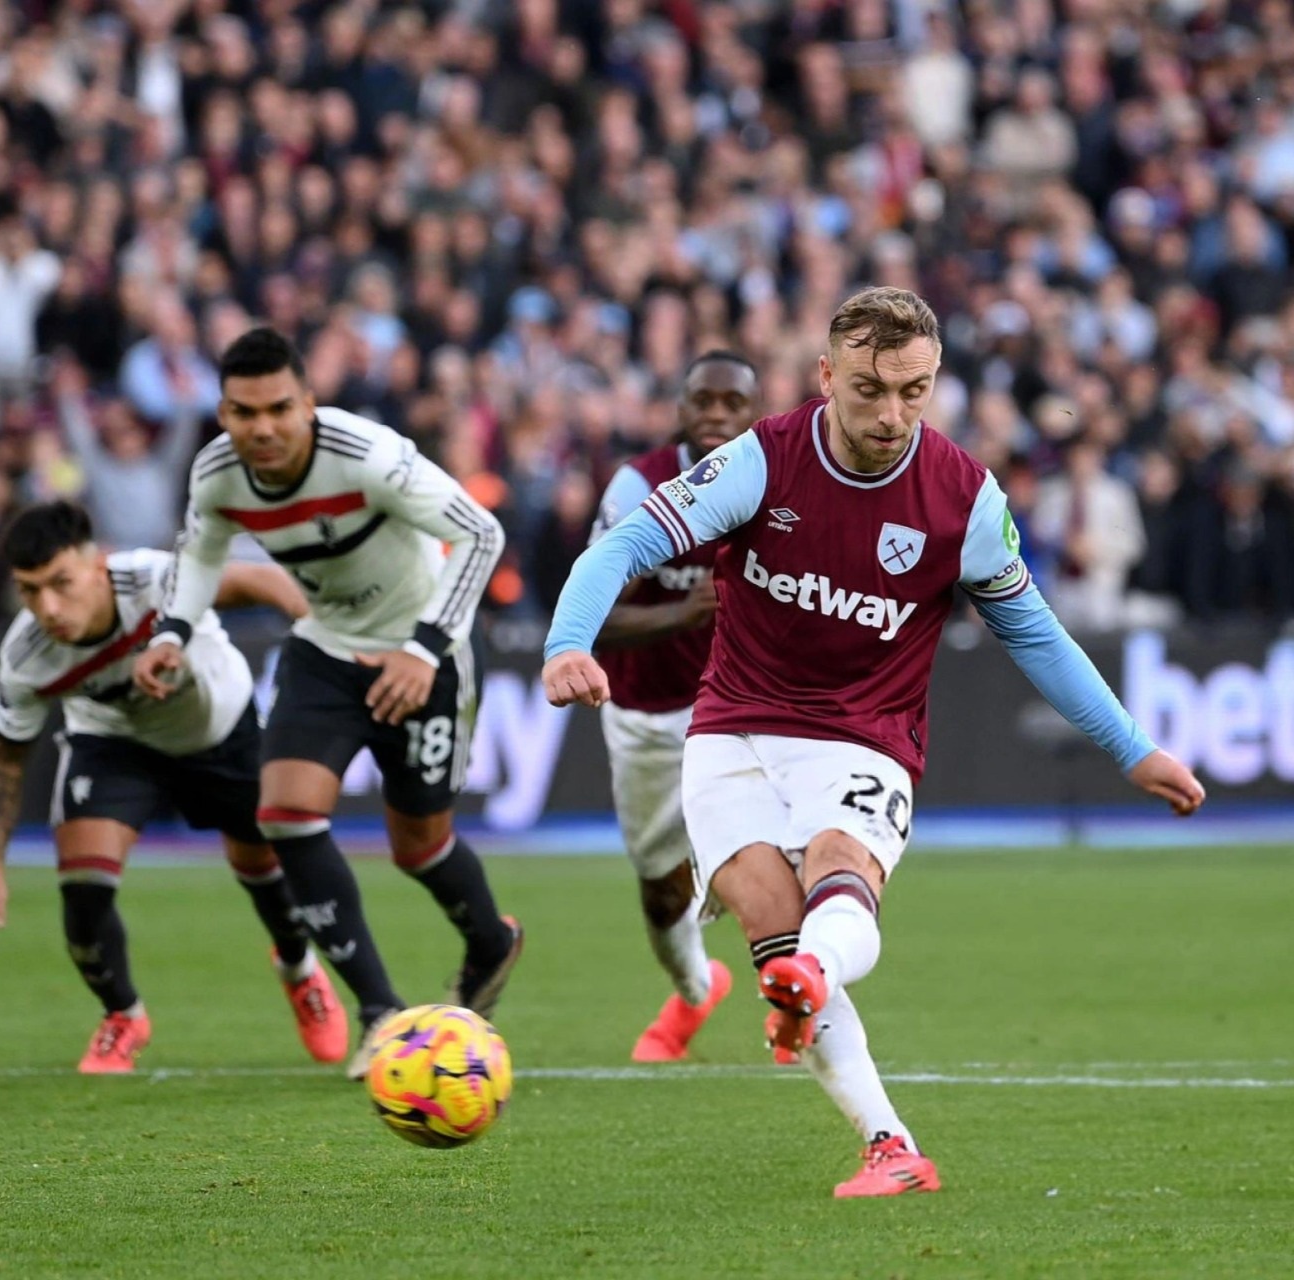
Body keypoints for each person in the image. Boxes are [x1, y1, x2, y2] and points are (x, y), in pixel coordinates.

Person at [542, 288, 1203, 1197]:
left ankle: (818, 979)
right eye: (869, 389)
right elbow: (619, 548)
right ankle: (890, 1145)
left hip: (862, 736)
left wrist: (1132, 748)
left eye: (914, 391)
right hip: (730, 732)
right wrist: (567, 643)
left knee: (835, 875)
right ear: (826, 378)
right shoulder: (761, 460)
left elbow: (1035, 634)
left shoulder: (962, 497)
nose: (893, 414)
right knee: (776, 941)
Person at [134, 327, 520, 1078]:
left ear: (309, 403)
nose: (264, 428)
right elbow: (199, 552)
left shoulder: (367, 455)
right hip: (327, 646)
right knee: (282, 814)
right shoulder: (216, 474)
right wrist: (172, 632)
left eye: (281, 408)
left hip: (421, 648)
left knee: (418, 845)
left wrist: (424, 647)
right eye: (245, 413)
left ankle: (492, 943)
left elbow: (482, 533)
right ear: (222, 415)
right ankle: (380, 1012)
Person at [0, 500, 347, 1074]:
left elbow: (261, 580)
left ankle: (298, 969)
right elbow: (5, 759)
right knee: (83, 886)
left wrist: (318, 630)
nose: (48, 607)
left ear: (97, 564)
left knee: (267, 873)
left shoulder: (155, 579)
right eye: (29, 590)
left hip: (220, 728)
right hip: (116, 744)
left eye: (60, 583)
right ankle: (123, 1014)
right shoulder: (27, 657)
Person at [588, 352, 759, 1062]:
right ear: (680, 408)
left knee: (782, 861)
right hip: (644, 714)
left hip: (743, 708)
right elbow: (593, 615)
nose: (717, 414)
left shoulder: (773, 480)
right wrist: (683, 616)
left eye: (732, 403)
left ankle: (803, 999)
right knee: (664, 894)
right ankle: (695, 988)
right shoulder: (639, 486)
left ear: (754, 413)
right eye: (703, 400)